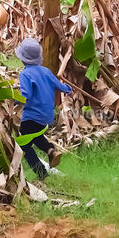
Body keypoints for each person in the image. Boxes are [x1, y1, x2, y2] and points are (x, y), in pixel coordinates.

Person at [15, 37, 71, 179]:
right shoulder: (46, 71)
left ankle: (41, 174)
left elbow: (25, 94)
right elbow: (60, 87)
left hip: (32, 116)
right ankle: (51, 151)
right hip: (46, 116)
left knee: (24, 144)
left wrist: (13, 100)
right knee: (36, 135)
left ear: (22, 59)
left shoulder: (25, 74)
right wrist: (68, 88)